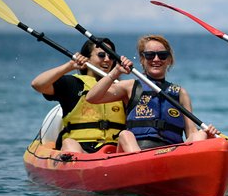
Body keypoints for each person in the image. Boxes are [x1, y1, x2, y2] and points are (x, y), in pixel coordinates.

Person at [86, 34, 217, 152]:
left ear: (169, 60)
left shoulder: (180, 93)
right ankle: (140, 166)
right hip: (135, 150)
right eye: (149, 55)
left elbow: (191, 133)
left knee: (200, 134)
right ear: (142, 59)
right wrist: (116, 72)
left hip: (171, 151)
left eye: (162, 55)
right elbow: (92, 97)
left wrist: (208, 137)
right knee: (125, 135)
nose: (156, 59)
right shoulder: (131, 86)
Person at [31, 38, 126, 153]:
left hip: (114, 149)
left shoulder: (121, 88)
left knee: (127, 135)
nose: (107, 59)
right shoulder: (72, 84)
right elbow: (38, 84)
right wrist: (69, 66)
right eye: (101, 55)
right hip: (80, 148)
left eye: (111, 56)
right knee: (69, 143)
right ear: (87, 59)